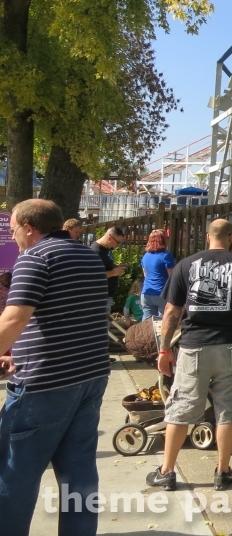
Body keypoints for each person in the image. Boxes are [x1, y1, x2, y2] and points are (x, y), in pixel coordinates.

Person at [0, 199, 109, 536]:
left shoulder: (35, 257)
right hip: (89, 374)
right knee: (79, 471)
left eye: (14, 229)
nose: (13, 236)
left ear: (28, 227)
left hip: (45, 382)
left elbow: (15, 317)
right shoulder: (87, 255)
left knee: (14, 471)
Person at [146, 219, 232, 493]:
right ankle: (222, 471)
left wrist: (164, 349)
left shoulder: (187, 264)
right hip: (231, 346)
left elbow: (171, 312)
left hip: (193, 347)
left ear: (207, 237)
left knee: (180, 408)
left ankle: (167, 471)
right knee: (228, 411)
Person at [140, 229, 175, 320]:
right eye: (166, 238)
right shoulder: (166, 256)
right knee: (160, 325)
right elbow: (172, 277)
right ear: (162, 240)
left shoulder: (146, 256)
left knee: (146, 325)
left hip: (146, 293)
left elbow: (145, 275)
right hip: (161, 293)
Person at [92, 226, 127, 313]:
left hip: (106, 294)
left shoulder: (107, 248)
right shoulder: (96, 252)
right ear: (110, 238)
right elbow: (93, 275)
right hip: (99, 296)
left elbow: (106, 265)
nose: (117, 245)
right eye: (118, 242)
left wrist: (116, 267)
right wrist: (112, 272)